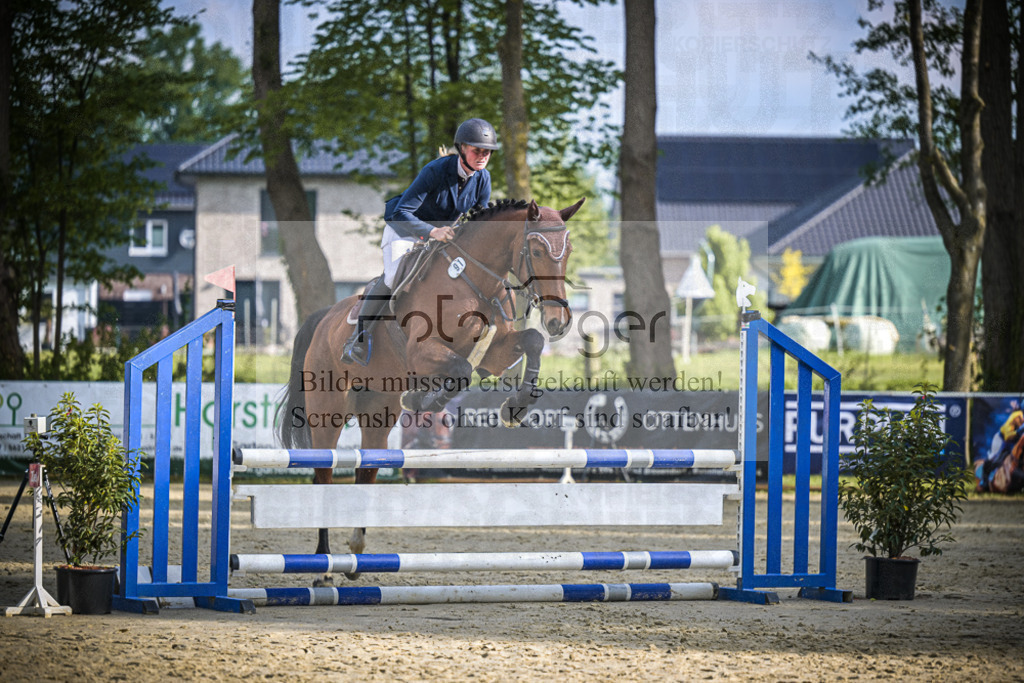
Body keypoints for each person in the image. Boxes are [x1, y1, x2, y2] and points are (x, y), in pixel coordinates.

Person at [341, 118, 499, 364]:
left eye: (486, 152)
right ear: (462, 148)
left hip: (441, 237)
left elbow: (479, 219)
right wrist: (431, 231)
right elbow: (401, 212)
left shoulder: (482, 178)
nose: (482, 156)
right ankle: (358, 338)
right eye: (476, 150)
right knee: (393, 277)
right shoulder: (434, 171)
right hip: (405, 230)